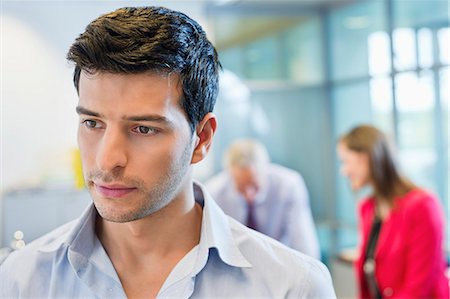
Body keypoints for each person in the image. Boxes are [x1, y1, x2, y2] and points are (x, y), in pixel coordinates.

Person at [0, 6, 336, 298]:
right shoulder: (23, 279)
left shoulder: (292, 288)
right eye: (92, 123)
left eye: (143, 129)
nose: (106, 160)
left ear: (201, 139)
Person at [337, 124, 449, 299]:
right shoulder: (368, 208)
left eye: (346, 161)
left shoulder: (423, 206)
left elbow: (418, 288)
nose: (344, 170)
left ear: (367, 158)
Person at [206, 139, 321, 260]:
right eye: (241, 187)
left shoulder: (288, 186)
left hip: (280, 261)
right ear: (229, 175)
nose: (249, 194)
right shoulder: (213, 193)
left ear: (266, 170)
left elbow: (303, 242)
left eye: (254, 185)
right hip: (234, 264)